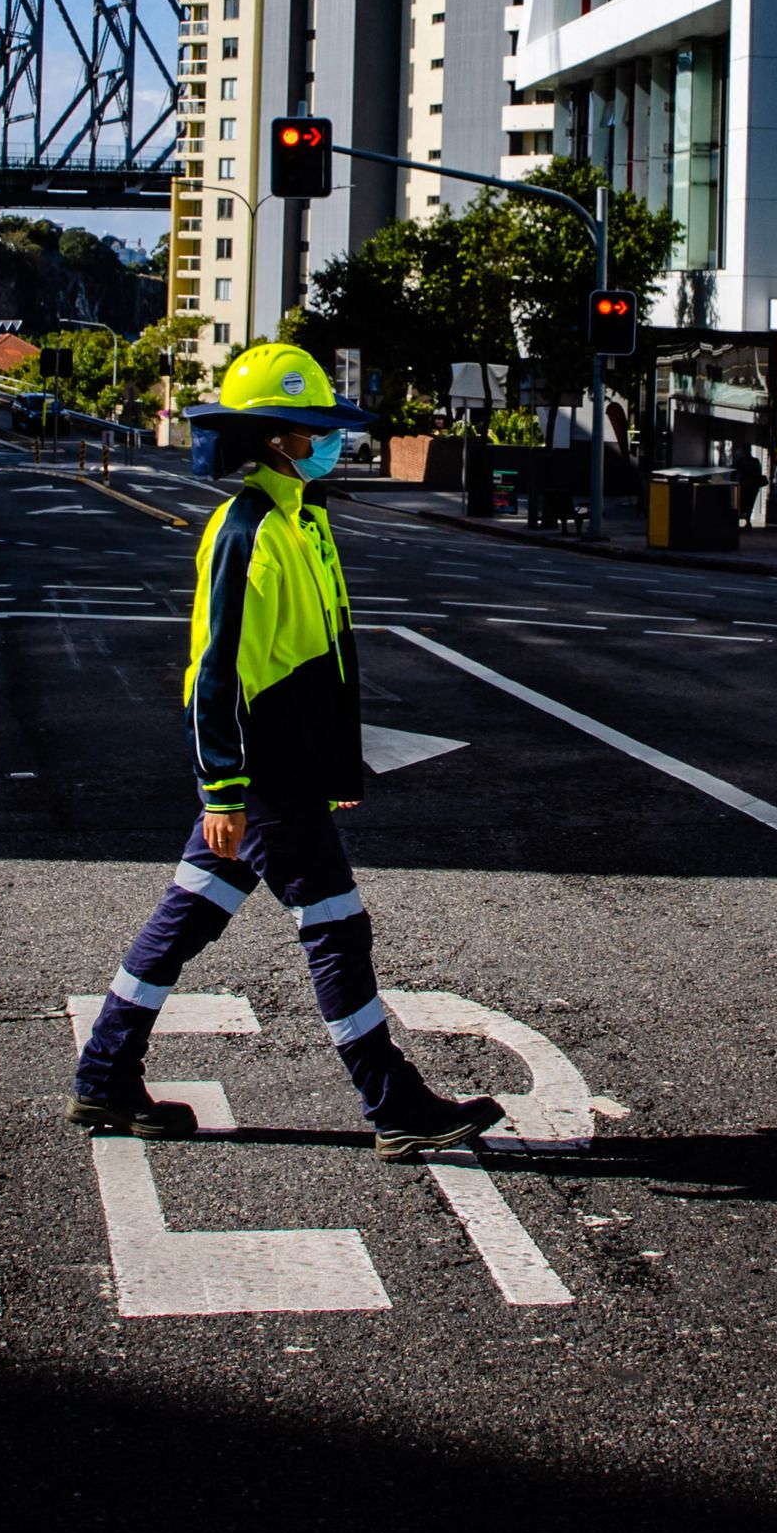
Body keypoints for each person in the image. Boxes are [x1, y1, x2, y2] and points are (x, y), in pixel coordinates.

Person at [70, 342, 506, 1162]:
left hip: (288, 773)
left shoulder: (304, 519)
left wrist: (334, 767)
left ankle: (104, 1073)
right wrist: (224, 791)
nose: (333, 440)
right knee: (337, 927)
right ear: (278, 438)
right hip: (262, 779)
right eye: (316, 428)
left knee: (186, 918)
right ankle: (393, 1101)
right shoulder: (249, 530)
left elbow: (326, 659)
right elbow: (215, 671)